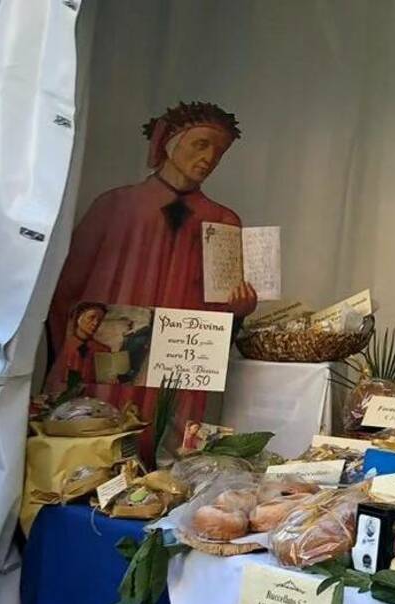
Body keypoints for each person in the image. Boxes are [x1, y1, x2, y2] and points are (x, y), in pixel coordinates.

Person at [47, 101, 258, 456]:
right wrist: (74, 342)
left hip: (179, 355)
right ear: (169, 141)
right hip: (110, 355)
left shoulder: (223, 221)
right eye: (200, 144)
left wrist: (239, 309)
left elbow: (221, 307)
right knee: (100, 436)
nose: (209, 158)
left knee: (170, 441)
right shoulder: (114, 205)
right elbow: (69, 287)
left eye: (218, 152)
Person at [49, 301, 111, 387]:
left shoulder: (103, 350)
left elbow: (105, 382)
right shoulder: (61, 347)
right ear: (78, 317)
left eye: (99, 320)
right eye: (91, 317)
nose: (95, 323)